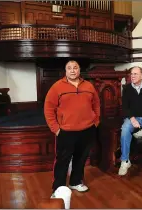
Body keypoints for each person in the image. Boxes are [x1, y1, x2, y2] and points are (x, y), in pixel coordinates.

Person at [44, 60, 100, 197]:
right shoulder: (57, 87)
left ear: (79, 70)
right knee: (62, 161)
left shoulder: (89, 86)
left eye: (75, 68)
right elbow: (48, 109)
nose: (73, 70)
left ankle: (75, 182)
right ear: (66, 71)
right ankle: (58, 188)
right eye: (69, 68)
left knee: (81, 159)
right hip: (66, 131)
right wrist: (56, 128)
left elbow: (96, 104)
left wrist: (95, 121)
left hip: (87, 129)